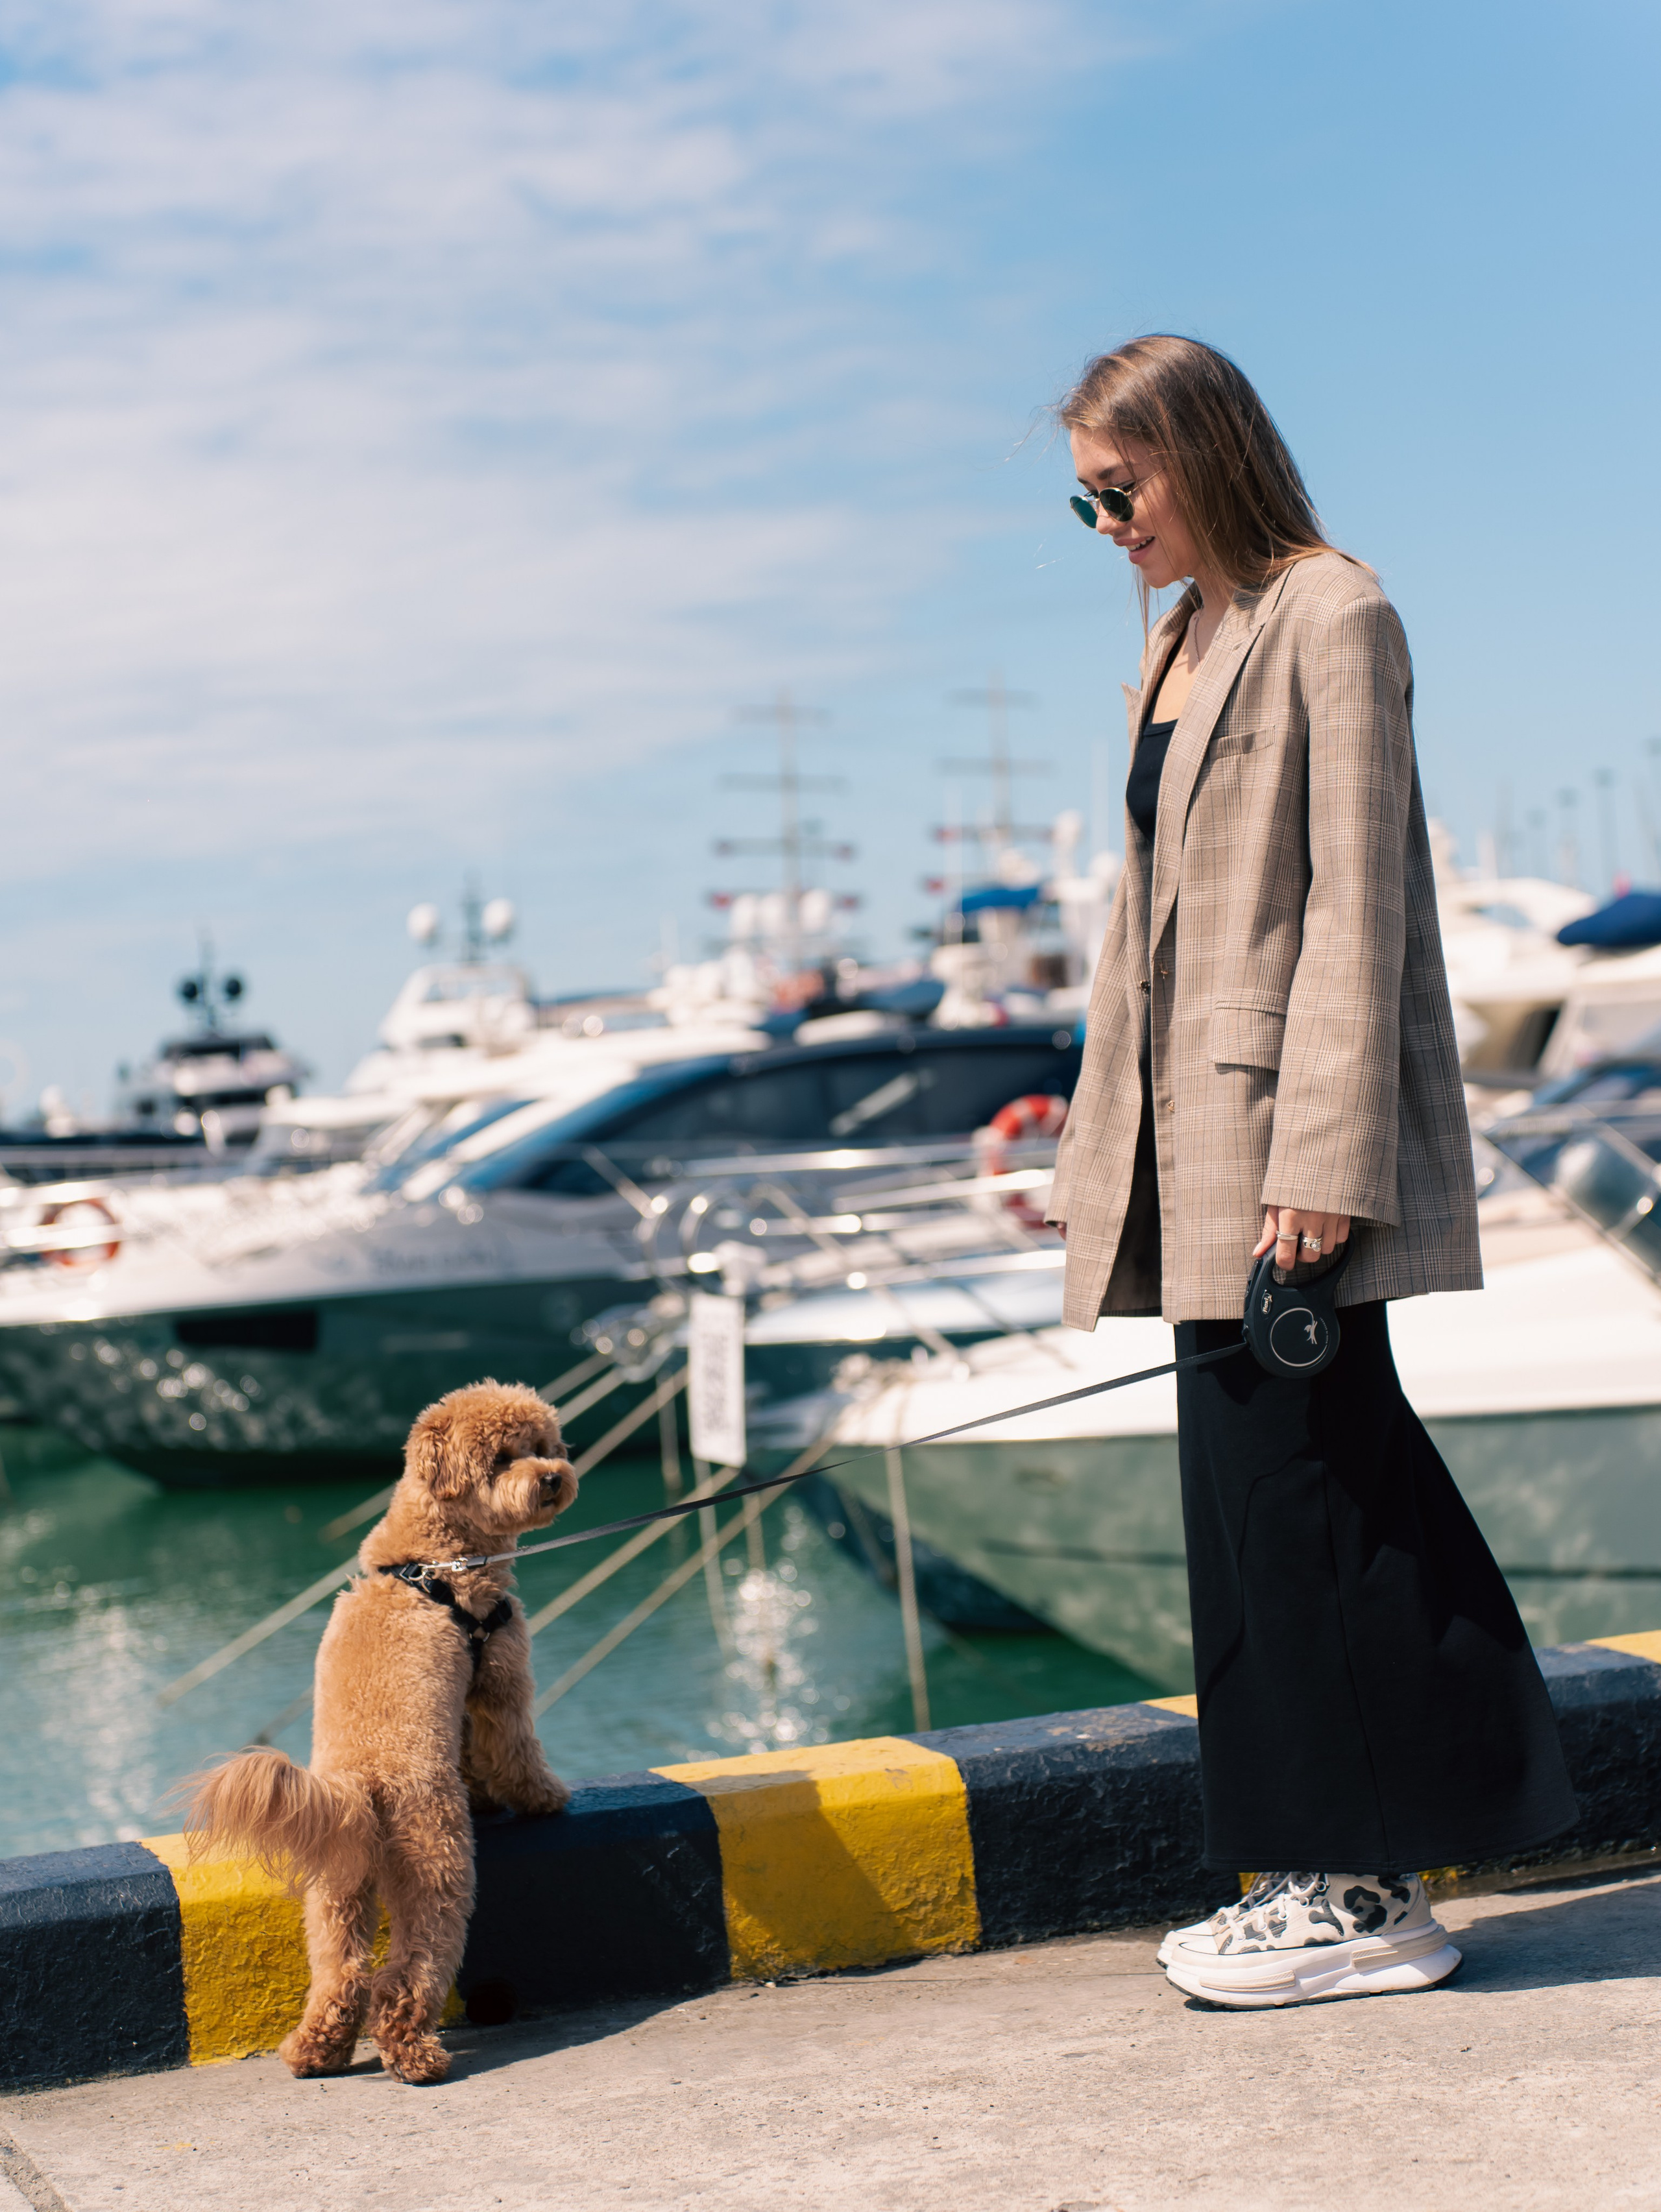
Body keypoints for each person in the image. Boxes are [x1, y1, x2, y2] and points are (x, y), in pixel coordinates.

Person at [1046, 335, 1576, 2009]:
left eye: (1119, 489)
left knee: (1313, 1502)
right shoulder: (1178, 642)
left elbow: (1361, 900)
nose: (1107, 523)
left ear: (1203, 450)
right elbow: (1144, 932)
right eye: (1085, 504)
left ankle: (1364, 1885)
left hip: (1284, 1145)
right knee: (1266, 1511)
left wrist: (1324, 1160)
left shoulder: (1331, 614)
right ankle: (1333, 1861)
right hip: (1186, 1139)